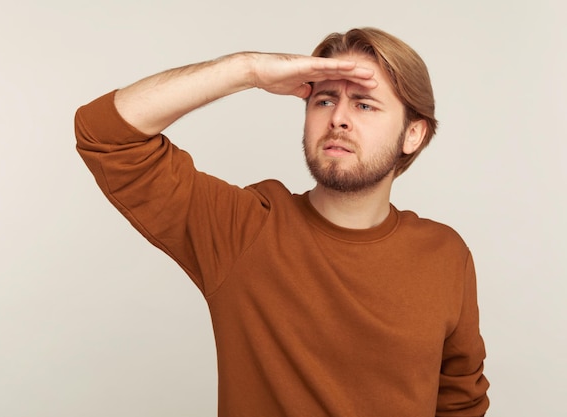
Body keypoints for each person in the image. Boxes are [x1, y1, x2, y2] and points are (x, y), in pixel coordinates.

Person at [75, 27, 489, 416]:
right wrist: (247, 69)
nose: (338, 119)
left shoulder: (446, 254)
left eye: (364, 104)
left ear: (413, 134)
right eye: (324, 100)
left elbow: (460, 403)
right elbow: (106, 135)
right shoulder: (245, 229)